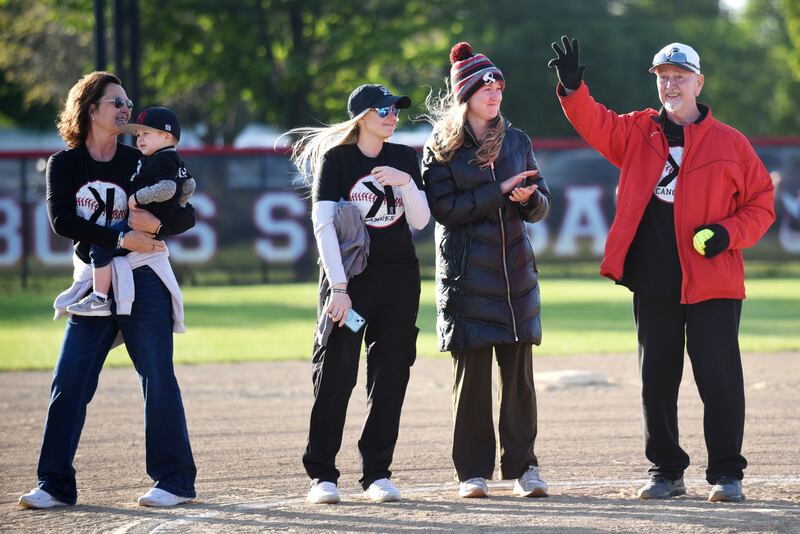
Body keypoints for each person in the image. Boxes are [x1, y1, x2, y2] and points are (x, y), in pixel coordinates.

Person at [548, 36, 775, 502]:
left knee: (720, 378)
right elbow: (594, 122)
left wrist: (728, 233)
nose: (670, 85)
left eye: (679, 76)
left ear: (698, 82)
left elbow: (761, 205)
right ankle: (666, 471)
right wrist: (573, 88)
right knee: (657, 378)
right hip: (652, 275)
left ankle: (727, 474)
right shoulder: (636, 131)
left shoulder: (731, 142)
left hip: (714, 278)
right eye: (663, 77)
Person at [18, 72, 198, 509]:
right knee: (70, 380)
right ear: (89, 108)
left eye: (127, 102)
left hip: (143, 277)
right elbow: (63, 222)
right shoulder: (65, 163)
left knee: (157, 377)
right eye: (116, 102)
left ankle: (173, 481)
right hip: (96, 282)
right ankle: (55, 484)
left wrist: (157, 225)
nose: (125, 110)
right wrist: (119, 239)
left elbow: (185, 211)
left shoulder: (138, 157)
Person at [288, 83, 431, 504]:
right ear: (361, 117)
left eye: (395, 109)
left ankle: (377, 474)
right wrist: (339, 288)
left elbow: (421, 221)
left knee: (392, 373)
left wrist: (406, 182)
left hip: (400, 281)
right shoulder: (338, 160)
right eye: (383, 109)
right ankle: (322, 475)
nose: (392, 115)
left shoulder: (405, 157)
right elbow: (323, 227)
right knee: (336, 371)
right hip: (351, 284)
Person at [422, 42, 552, 499]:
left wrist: (528, 199)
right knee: (472, 382)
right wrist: (500, 192)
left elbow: (540, 205)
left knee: (519, 383)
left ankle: (525, 469)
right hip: (467, 282)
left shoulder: (517, 141)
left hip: (515, 280)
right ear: (466, 93)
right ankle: (472, 473)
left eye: (499, 84)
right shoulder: (440, 148)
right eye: (485, 84)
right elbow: (445, 210)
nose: (495, 91)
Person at [67, 106, 196, 317]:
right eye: (138, 135)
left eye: (146, 134)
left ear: (165, 136)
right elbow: (189, 184)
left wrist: (137, 198)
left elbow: (168, 188)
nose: (139, 139)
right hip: (154, 223)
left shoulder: (161, 159)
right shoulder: (172, 159)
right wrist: (179, 204)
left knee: (100, 246)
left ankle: (99, 298)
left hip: (141, 222)